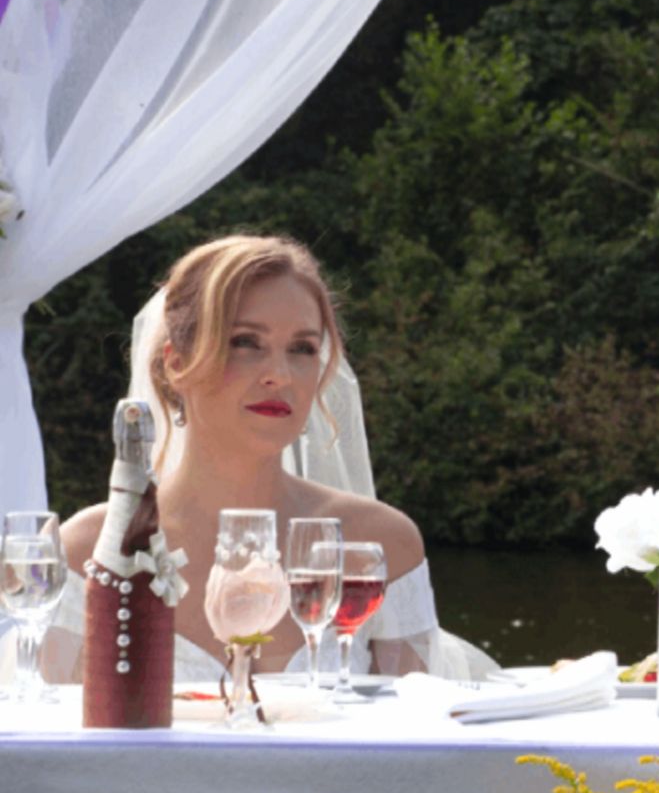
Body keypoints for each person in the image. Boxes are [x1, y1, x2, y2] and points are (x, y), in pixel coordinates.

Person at [46, 235, 494, 682]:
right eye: (246, 342)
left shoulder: (379, 544)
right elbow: (51, 722)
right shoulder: (89, 552)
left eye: (302, 349)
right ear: (176, 364)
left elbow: (414, 721)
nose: (280, 375)